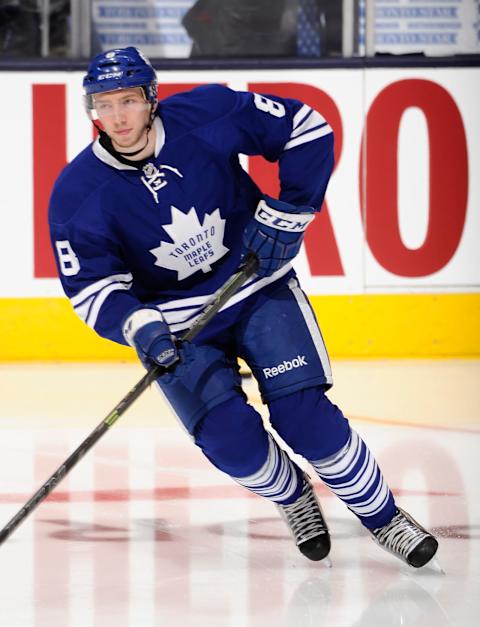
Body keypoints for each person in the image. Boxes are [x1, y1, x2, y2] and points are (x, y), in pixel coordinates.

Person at [49, 46, 438, 568]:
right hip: (178, 328)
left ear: (151, 99)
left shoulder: (206, 114)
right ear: (91, 109)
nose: (117, 117)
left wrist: (292, 211)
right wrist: (141, 328)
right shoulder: (76, 192)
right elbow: (92, 289)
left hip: (257, 286)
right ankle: (294, 497)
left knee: (306, 418)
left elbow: (306, 127)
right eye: (104, 104)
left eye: (128, 100)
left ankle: (383, 517)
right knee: (231, 441)